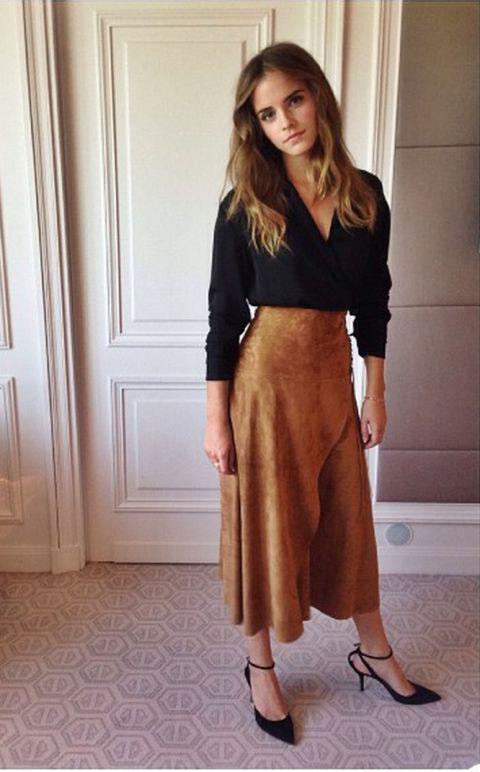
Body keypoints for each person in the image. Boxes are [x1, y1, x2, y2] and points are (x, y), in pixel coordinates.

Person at [203, 42, 441, 745]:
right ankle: (260, 666)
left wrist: (376, 392)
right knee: (263, 524)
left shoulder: (366, 194)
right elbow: (223, 316)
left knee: (347, 520)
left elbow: (374, 303)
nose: (286, 121)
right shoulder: (246, 202)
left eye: (295, 100)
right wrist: (216, 420)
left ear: (318, 97)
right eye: (268, 114)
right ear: (256, 126)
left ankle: (374, 650)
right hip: (265, 386)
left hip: (334, 378)